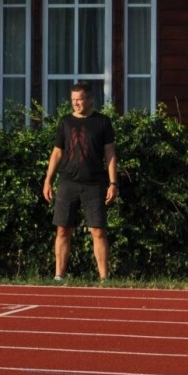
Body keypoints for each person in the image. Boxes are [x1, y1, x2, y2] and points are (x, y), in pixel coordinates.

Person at [42, 82, 117, 282]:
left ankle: (104, 278)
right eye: (73, 100)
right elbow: (57, 152)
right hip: (68, 182)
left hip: (94, 184)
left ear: (90, 99)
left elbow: (109, 153)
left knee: (98, 231)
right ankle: (59, 275)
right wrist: (48, 180)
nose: (76, 103)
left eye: (80, 99)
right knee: (63, 229)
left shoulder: (103, 122)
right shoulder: (65, 122)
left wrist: (113, 183)